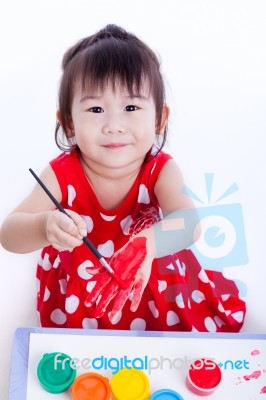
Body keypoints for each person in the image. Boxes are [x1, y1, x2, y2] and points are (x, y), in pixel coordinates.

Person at [0, 24, 245, 332]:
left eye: (131, 106)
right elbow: (8, 234)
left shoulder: (161, 170)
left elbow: (190, 222)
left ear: (159, 118)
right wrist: (44, 226)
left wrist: (148, 243)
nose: (114, 125)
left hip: (155, 291)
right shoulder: (62, 173)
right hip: (82, 296)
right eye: (96, 108)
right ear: (69, 122)